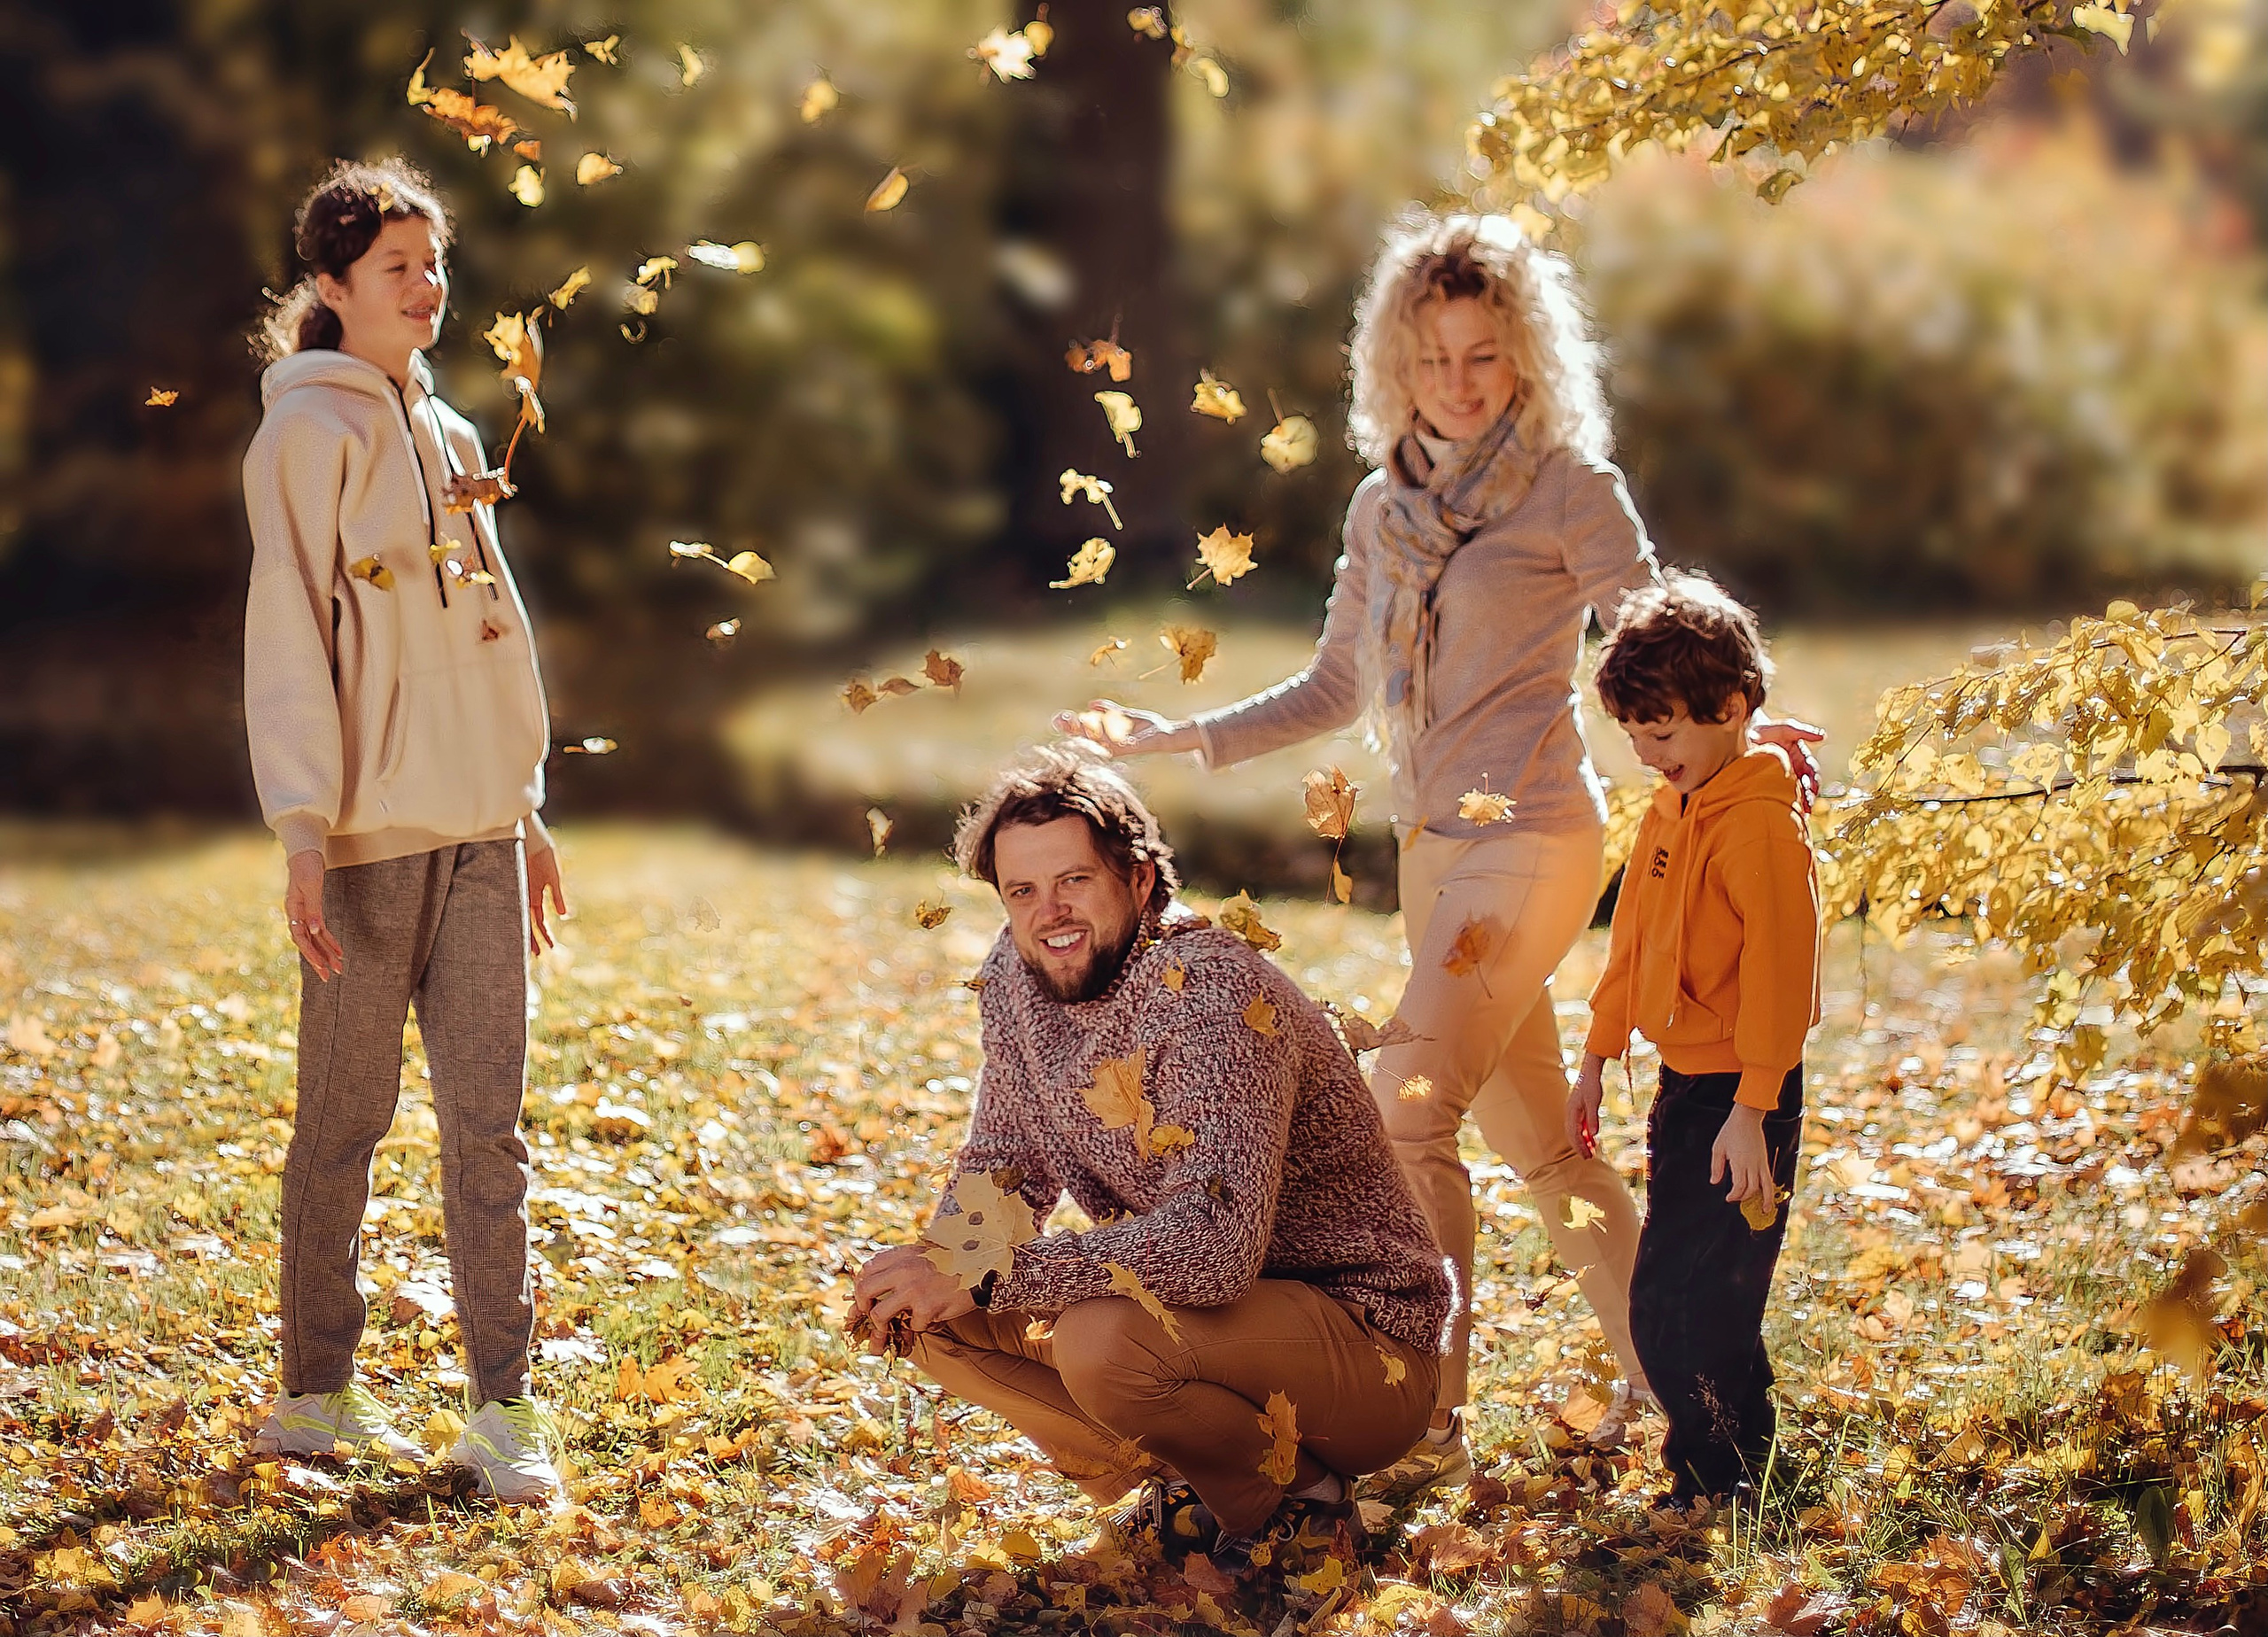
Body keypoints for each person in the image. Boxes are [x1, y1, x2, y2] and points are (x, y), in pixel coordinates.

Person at [1060, 212, 1818, 1496]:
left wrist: (1753, 713)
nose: (1459, 384)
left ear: (1524, 356)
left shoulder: (1571, 485)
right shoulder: (1381, 507)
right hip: (1430, 853)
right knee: (1551, 1155)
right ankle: (1681, 1385)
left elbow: (1656, 626)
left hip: (1532, 835)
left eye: (1484, 357)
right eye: (1434, 361)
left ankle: (1425, 1421)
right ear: (1395, 369)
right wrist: (1177, 734)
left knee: (1407, 1108)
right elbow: (1337, 684)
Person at [850, 749, 1451, 1579]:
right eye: (1021, 891)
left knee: (1101, 1338)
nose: (1047, 912)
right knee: (925, 1302)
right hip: (1204, 1328)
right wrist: (945, 1267)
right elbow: (1007, 1157)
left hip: (1361, 1345)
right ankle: (1196, 1481)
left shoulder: (1211, 994)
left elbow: (1214, 1246)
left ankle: (1298, 1509)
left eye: (1074, 882)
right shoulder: (1020, 976)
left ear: (1137, 880)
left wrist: (990, 1276)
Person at [239, 158, 565, 1503]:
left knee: (490, 1130)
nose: (428, 291)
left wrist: (527, 807)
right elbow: (288, 637)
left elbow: (496, 634)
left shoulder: (451, 433)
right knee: (346, 1124)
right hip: (369, 845)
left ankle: (506, 1409)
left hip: (480, 836)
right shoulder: (303, 437)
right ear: (331, 284)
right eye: (398, 269)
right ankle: (316, 1391)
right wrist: (305, 831)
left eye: (436, 266)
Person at [1566, 572, 1820, 1507]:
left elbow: (1781, 981)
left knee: (1680, 1306)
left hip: (1744, 1100)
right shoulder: (1673, 809)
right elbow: (1630, 941)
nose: (1644, 752)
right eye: (1632, 733)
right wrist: (1595, 1056)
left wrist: (1752, 1110)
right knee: (1697, 1290)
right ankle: (1740, 1460)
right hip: (1687, 1090)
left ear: (1732, 706)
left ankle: (1715, 1482)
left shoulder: (1757, 826)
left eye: (1661, 731)